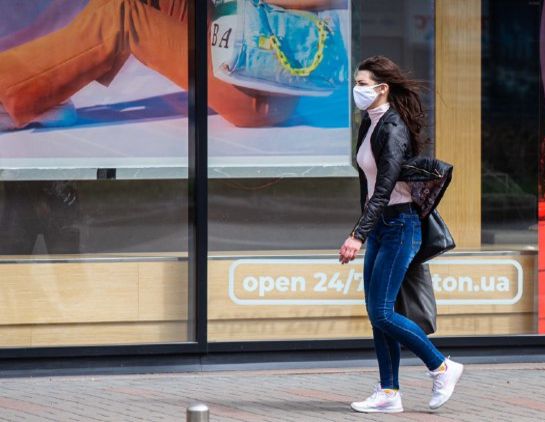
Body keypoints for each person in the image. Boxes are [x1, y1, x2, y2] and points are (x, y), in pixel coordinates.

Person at [0, 0, 344, 131]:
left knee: (125, 17)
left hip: (259, 81)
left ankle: (9, 92)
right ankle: (39, 91)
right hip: (230, 36)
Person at [338, 55, 463, 413]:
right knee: (379, 313)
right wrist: (367, 228)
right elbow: (369, 186)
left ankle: (441, 367)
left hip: (399, 225)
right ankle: (389, 393)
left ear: (382, 88)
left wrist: (357, 234)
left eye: (362, 84)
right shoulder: (370, 121)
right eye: (356, 83)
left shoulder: (392, 128)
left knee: (381, 313)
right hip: (382, 225)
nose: (357, 89)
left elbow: (384, 188)